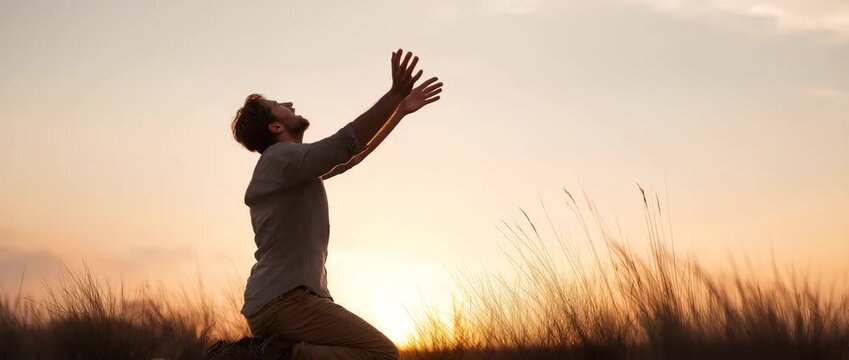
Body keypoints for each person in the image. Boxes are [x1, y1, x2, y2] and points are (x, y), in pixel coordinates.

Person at [229, 49, 443, 359]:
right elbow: (343, 145)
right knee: (382, 353)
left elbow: (349, 157)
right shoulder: (279, 159)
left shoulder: (291, 168)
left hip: (279, 301)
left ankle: (281, 353)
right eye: (278, 106)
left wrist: (399, 110)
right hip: (284, 301)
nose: (289, 104)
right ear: (275, 127)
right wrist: (394, 94)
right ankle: (281, 355)